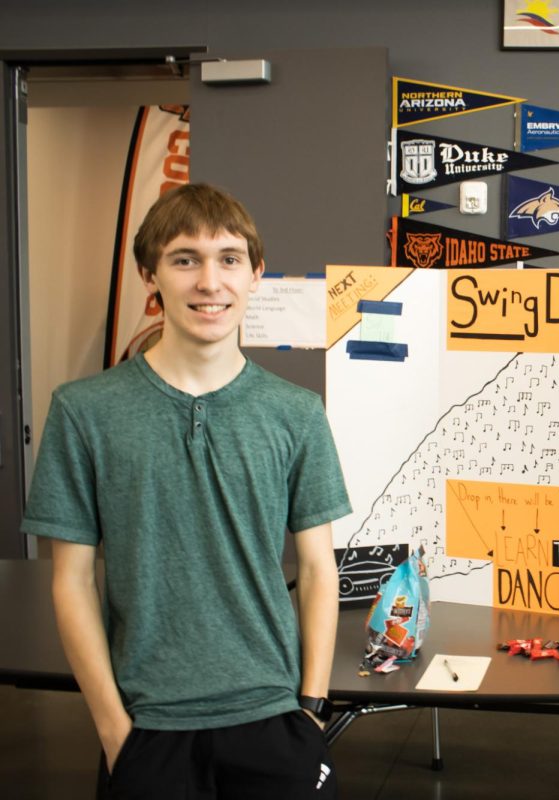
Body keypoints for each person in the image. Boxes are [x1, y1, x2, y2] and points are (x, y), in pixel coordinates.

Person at [21, 184, 351, 798]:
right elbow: (70, 581)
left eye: (228, 259)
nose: (209, 281)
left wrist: (311, 705)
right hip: (147, 728)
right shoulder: (84, 411)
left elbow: (316, 567)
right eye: (184, 259)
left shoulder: (296, 413)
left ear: (255, 274)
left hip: (275, 719)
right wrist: (114, 730)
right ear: (151, 275)